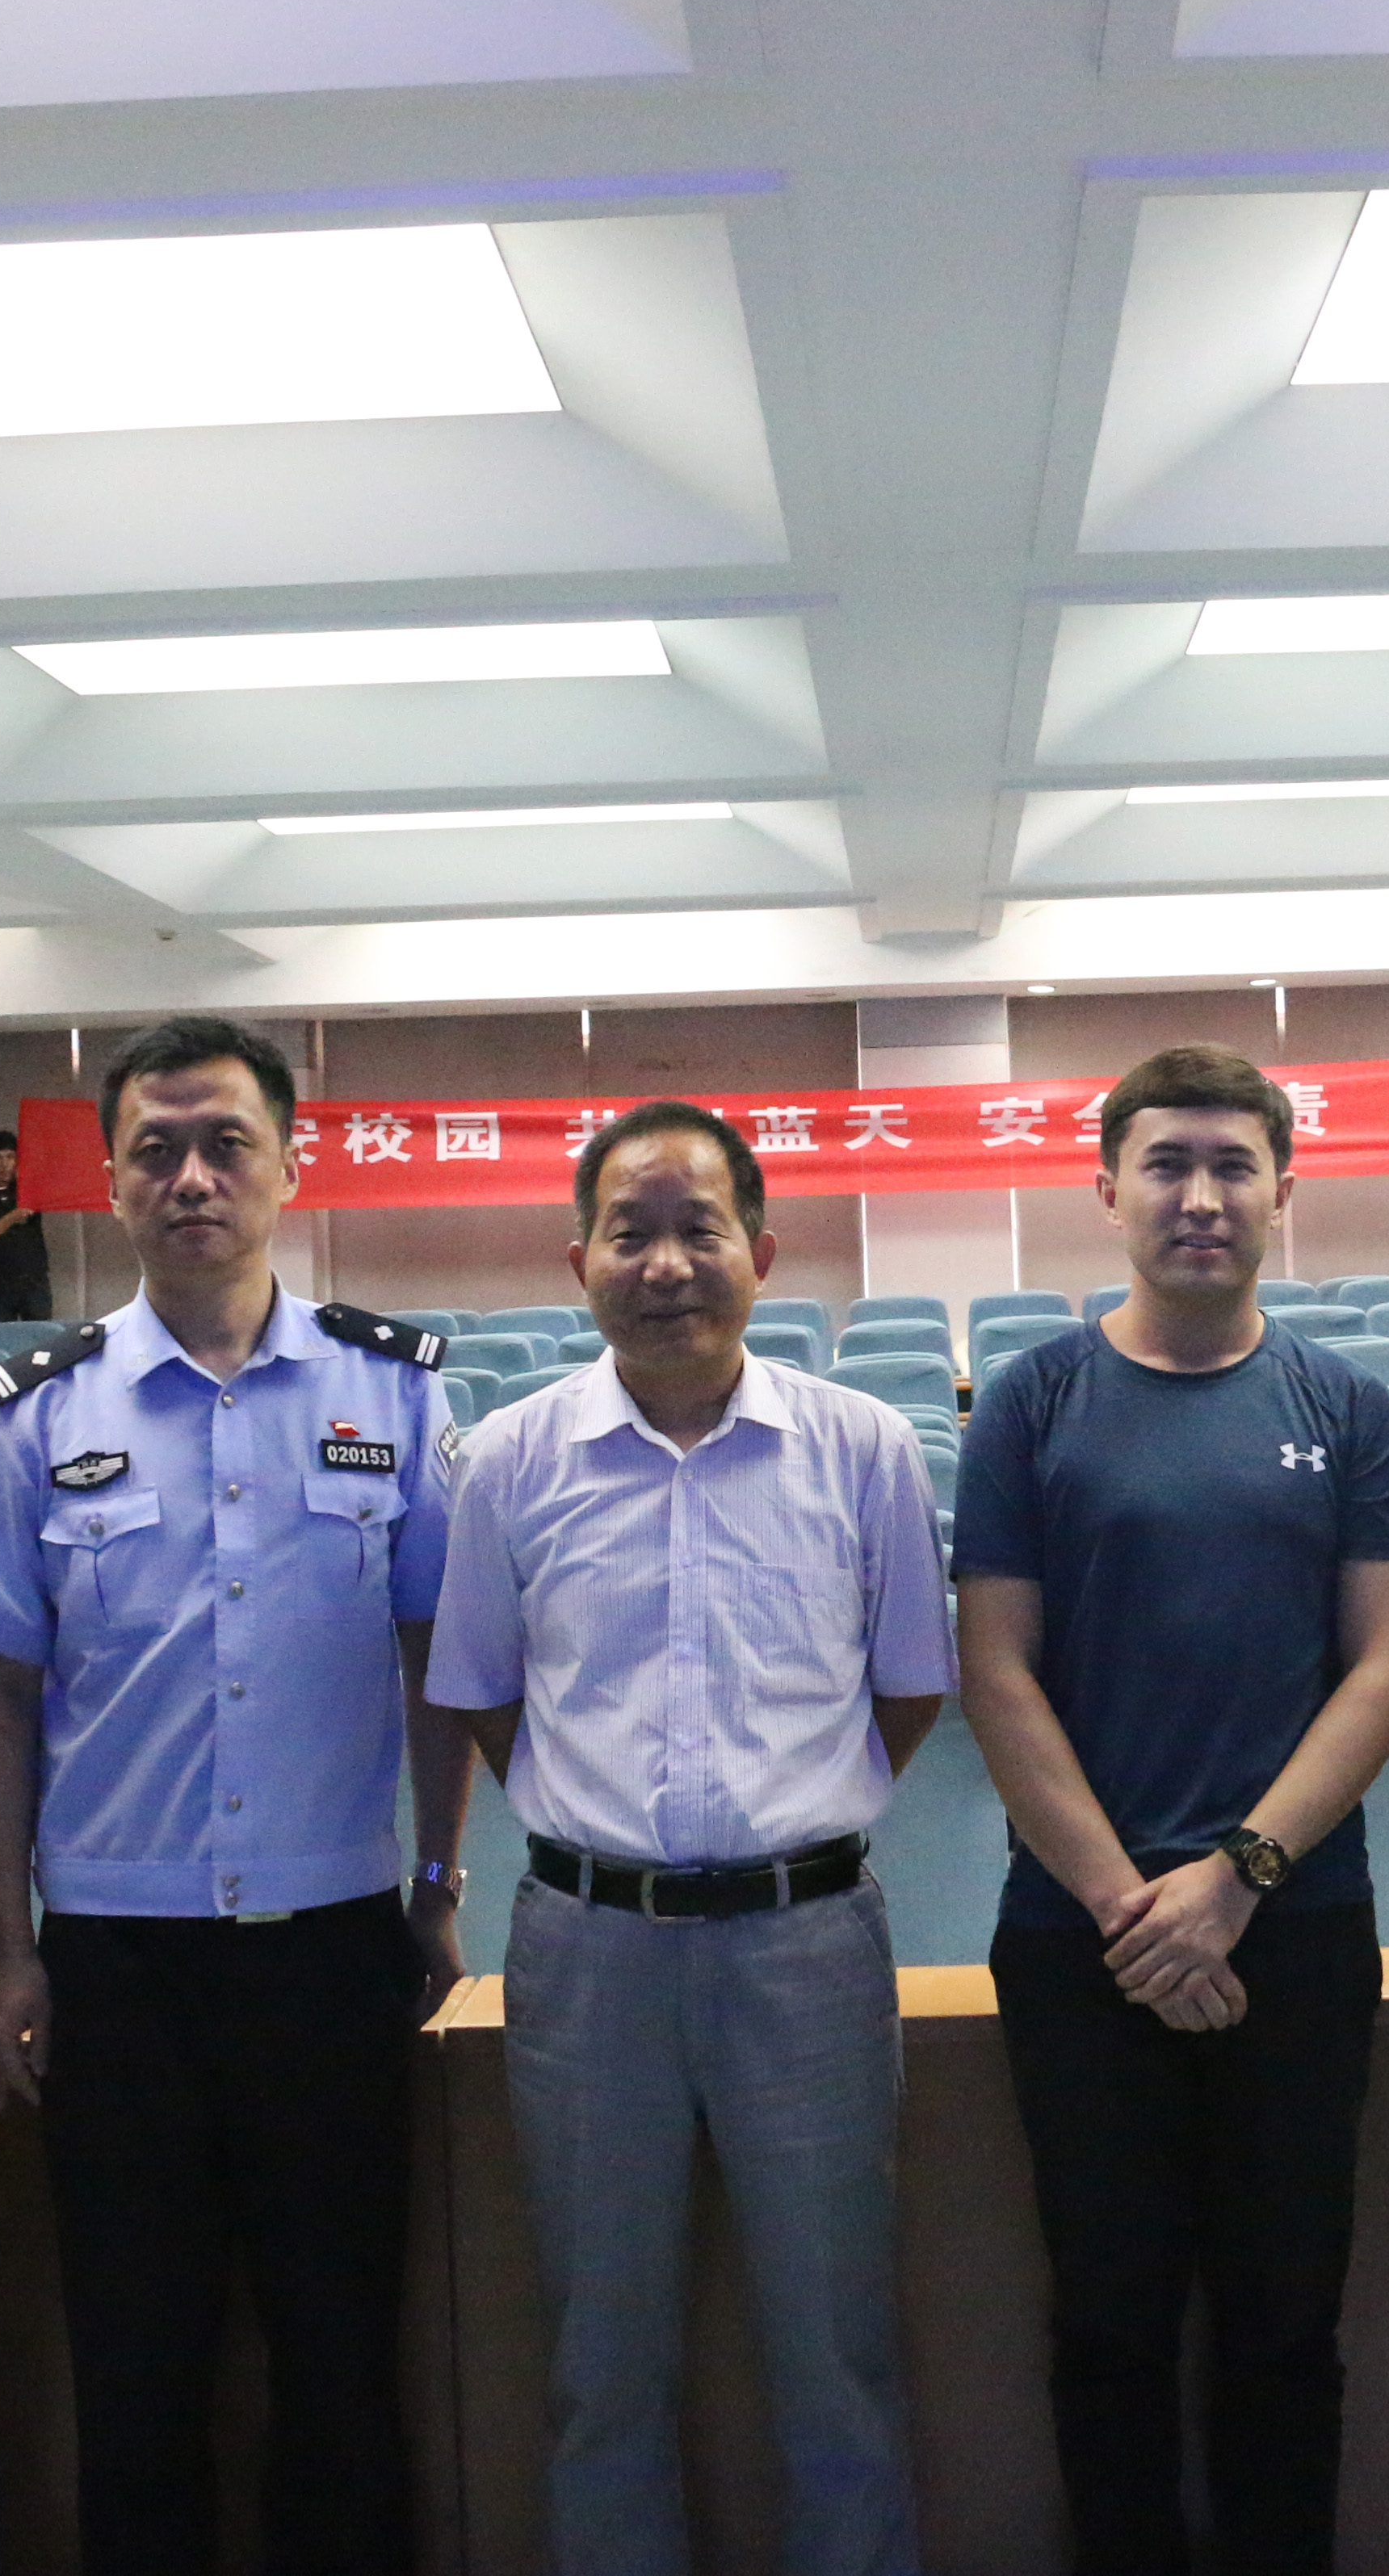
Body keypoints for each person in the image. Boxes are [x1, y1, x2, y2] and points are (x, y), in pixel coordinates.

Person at [0, 1016, 471, 2576]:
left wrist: (440, 1881)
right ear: (110, 1181)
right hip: (117, 1968)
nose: (191, 1177)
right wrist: (5, 1946)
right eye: (155, 1149)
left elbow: (439, 1656)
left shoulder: (393, 1391)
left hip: (332, 1951)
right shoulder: (34, 1410)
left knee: (341, 2364)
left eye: (226, 1142)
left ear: (289, 1167)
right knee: (136, 2372)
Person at [426, 1100, 953, 2576]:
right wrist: (602, 1834)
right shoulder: (511, 1459)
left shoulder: (861, 1449)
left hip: (810, 1950)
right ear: (578, 1262)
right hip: (587, 1956)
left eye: (699, 1229)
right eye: (630, 1233)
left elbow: (909, 1687)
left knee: (836, 2353)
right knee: (601, 2365)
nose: (666, 1265)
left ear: (761, 1254)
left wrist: (791, 1824)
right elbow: (484, 1692)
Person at [954, 1041, 1389, 2576]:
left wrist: (1233, 1878)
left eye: (1234, 1165)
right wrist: (1130, 1910)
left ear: (1284, 1191)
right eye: (1167, 1163)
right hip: (1079, 1939)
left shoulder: (1344, 1406)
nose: (1201, 1196)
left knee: (1286, 2324)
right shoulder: (1032, 1401)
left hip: (1296, 1930)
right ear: (1108, 1190)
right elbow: (996, 1672)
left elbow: (1382, 1669)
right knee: (1108, 2324)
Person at [0, 1129, 52, 1326]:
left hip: (35, 1280)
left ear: (18, 1160)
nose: (4, 1164)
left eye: (10, 1157)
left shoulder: (30, 1191)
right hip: (0, 1283)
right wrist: (11, 1218)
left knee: (40, 1336)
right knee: (1, 1336)